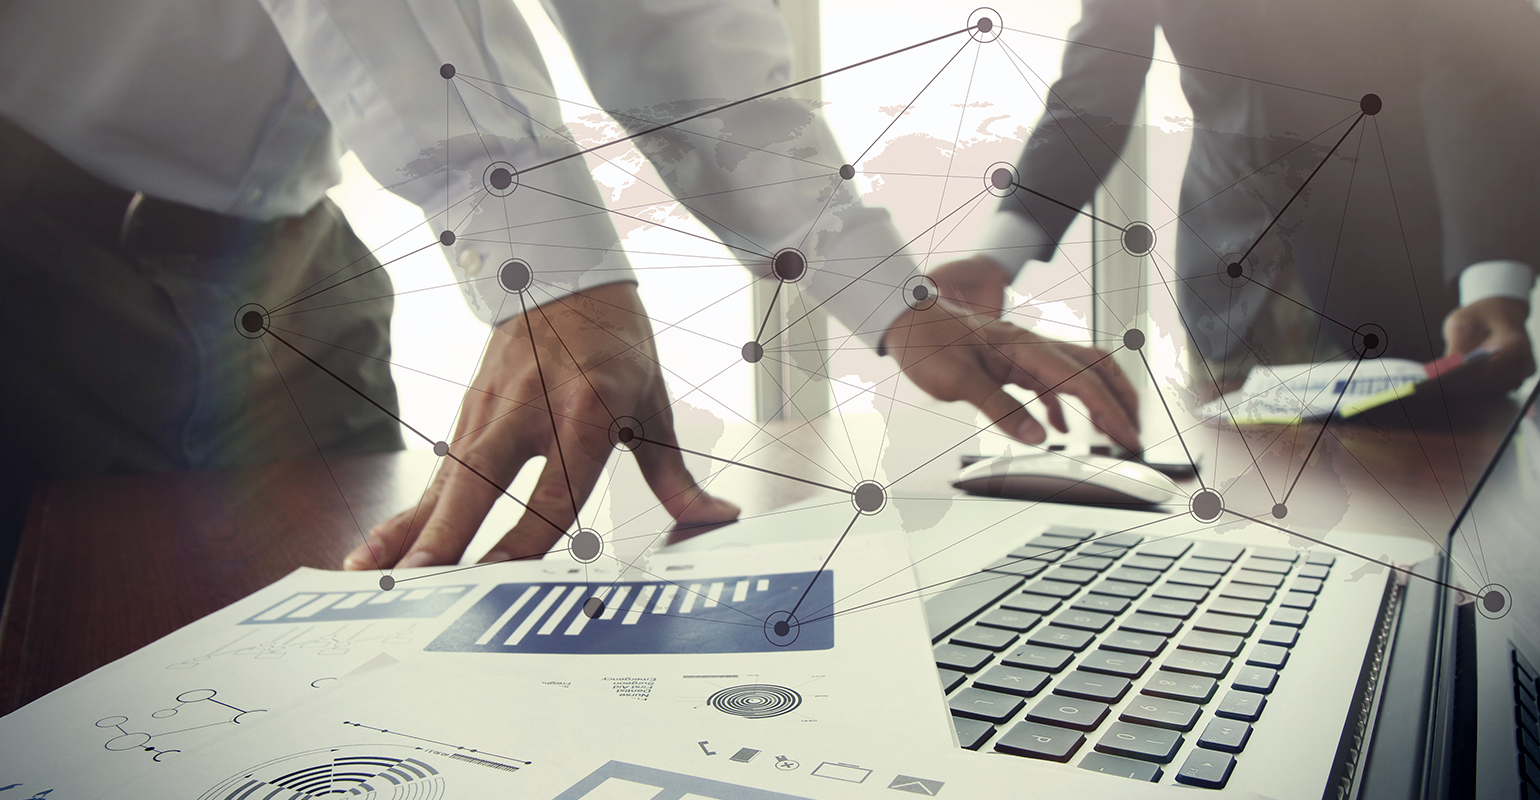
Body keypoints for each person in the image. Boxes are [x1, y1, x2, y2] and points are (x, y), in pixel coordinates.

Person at [0, 0, 1140, 585]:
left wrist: (893, 297)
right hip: (27, 231)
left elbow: (672, 29)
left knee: (354, 636)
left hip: (290, 263)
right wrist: (547, 272)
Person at [928, 0, 1540, 398]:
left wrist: (1492, 285)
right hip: (1227, 284)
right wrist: (996, 257)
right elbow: (1094, 86)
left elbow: (1478, 68)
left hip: (1405, 272)